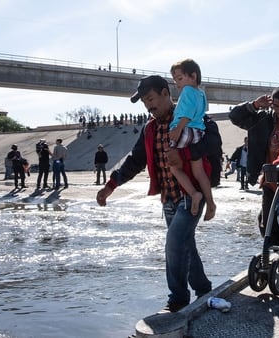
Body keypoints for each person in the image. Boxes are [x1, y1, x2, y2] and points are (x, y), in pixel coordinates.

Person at [96, 75, 212, 313]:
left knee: (174, 243)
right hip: (168, 199)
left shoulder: (189, 119)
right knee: (184, 245)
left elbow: (212, 143)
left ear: (165, 93)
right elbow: (135, 161)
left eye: (151, 99)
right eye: (145, 103)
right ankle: (204, 290)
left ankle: (178, 299)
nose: (149, 106)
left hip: (191, 195)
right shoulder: (150, 128)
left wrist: (185, 157)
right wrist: (111, 186)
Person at [229, 86, 279, 245]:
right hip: (270, 179)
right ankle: (275, 258)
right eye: (276, 106)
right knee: (268, 226)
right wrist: (253, 105)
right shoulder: (262, 119)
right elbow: (234, 116)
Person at [167, 59, 216, 221]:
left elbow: (187, 113)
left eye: (179, 78)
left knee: (174, 166)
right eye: (175, 80)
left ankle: (194, 194)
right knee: (198, 170)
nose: (177, 83)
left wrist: (178, 128)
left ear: (193, 76)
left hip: (185, 130)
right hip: (198, 133)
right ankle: (210, 202)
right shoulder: (201, 94)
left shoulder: (187, 91)